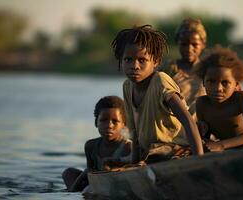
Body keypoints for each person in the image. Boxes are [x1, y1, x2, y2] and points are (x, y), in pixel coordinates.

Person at [111, 24, 204, 164]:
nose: (135, 66)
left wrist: (200, 161)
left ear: (155, 61)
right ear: (121, 61)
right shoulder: (127, 86)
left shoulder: (160, 81)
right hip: (148, 153)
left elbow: (188, 121)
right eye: (128, 60)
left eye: (142, 60)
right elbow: (134, 135)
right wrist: (133, 165)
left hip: (174, 150)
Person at [62, 96, 132, 192]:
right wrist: (73, 189)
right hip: (95, 182)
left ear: (124, 124)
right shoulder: (90, 146)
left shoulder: (128, 147)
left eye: (115, 121)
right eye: (103, 120)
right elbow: (90, 173)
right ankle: (75, 191)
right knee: (68, 173)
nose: (109, 125)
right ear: (96, 122)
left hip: (117, 184)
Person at [160, 18, 207, 119]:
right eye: (184, 44)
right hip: (174, 127)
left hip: (202, 128)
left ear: (203, 44)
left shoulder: (209, 70)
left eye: (194, 45)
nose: (189, 49)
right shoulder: (169, 69)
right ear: (178, 43)